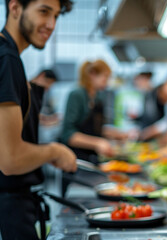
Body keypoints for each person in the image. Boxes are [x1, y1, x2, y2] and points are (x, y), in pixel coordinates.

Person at [0, 0, 77, 239]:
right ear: (15, 8)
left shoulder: (11, 57)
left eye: (56, 16)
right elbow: (10, 159)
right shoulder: (7, 60)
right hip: (9, 205)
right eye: (44, 11)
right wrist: (54, 151)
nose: (51, 24)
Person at [59, 59, 126, 164]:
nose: (107, 82)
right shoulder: (77, 95)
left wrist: (115, 135)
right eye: (105, 77)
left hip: (93, 158)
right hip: (75, 160)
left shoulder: (98, 97)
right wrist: (98, 143)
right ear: (92, 74)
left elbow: (95, 129)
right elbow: (68, 135)